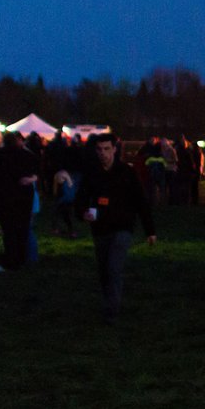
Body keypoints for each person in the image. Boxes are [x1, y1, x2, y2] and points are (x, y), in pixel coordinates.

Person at [75, 134, 156, 325]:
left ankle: (112, 311)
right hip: (100, 229)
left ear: (114, 149)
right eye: (99, 149)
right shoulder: (92, 173)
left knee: (113, 268)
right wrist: (82, 213)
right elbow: (81, 198)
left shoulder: (126, 173)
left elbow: (141, 202)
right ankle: (108, 302)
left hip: (122, 228)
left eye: (106, 149)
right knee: (104, 270)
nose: (102, 153)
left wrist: (150, 230)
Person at [0, 132, 39, 272]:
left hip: (6, 197)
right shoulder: (28, 156)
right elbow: (35, 171)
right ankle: (21, 258)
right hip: (24, 197)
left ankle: (11, 260)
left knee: (9, 230)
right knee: (22, 228)